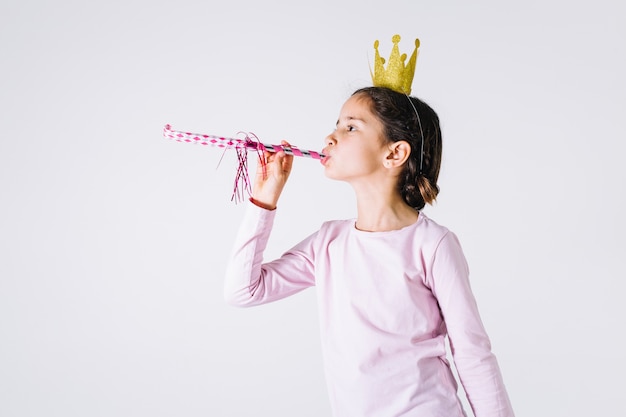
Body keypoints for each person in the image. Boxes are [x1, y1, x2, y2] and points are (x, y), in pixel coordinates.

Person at [224, 86, 515, 417]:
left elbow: (472, 353)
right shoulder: (328, 243)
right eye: (336, 124)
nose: (330, 137)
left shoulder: (433, 245)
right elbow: (243, 291)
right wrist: (264, 199)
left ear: (394, 153)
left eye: (350, 127)